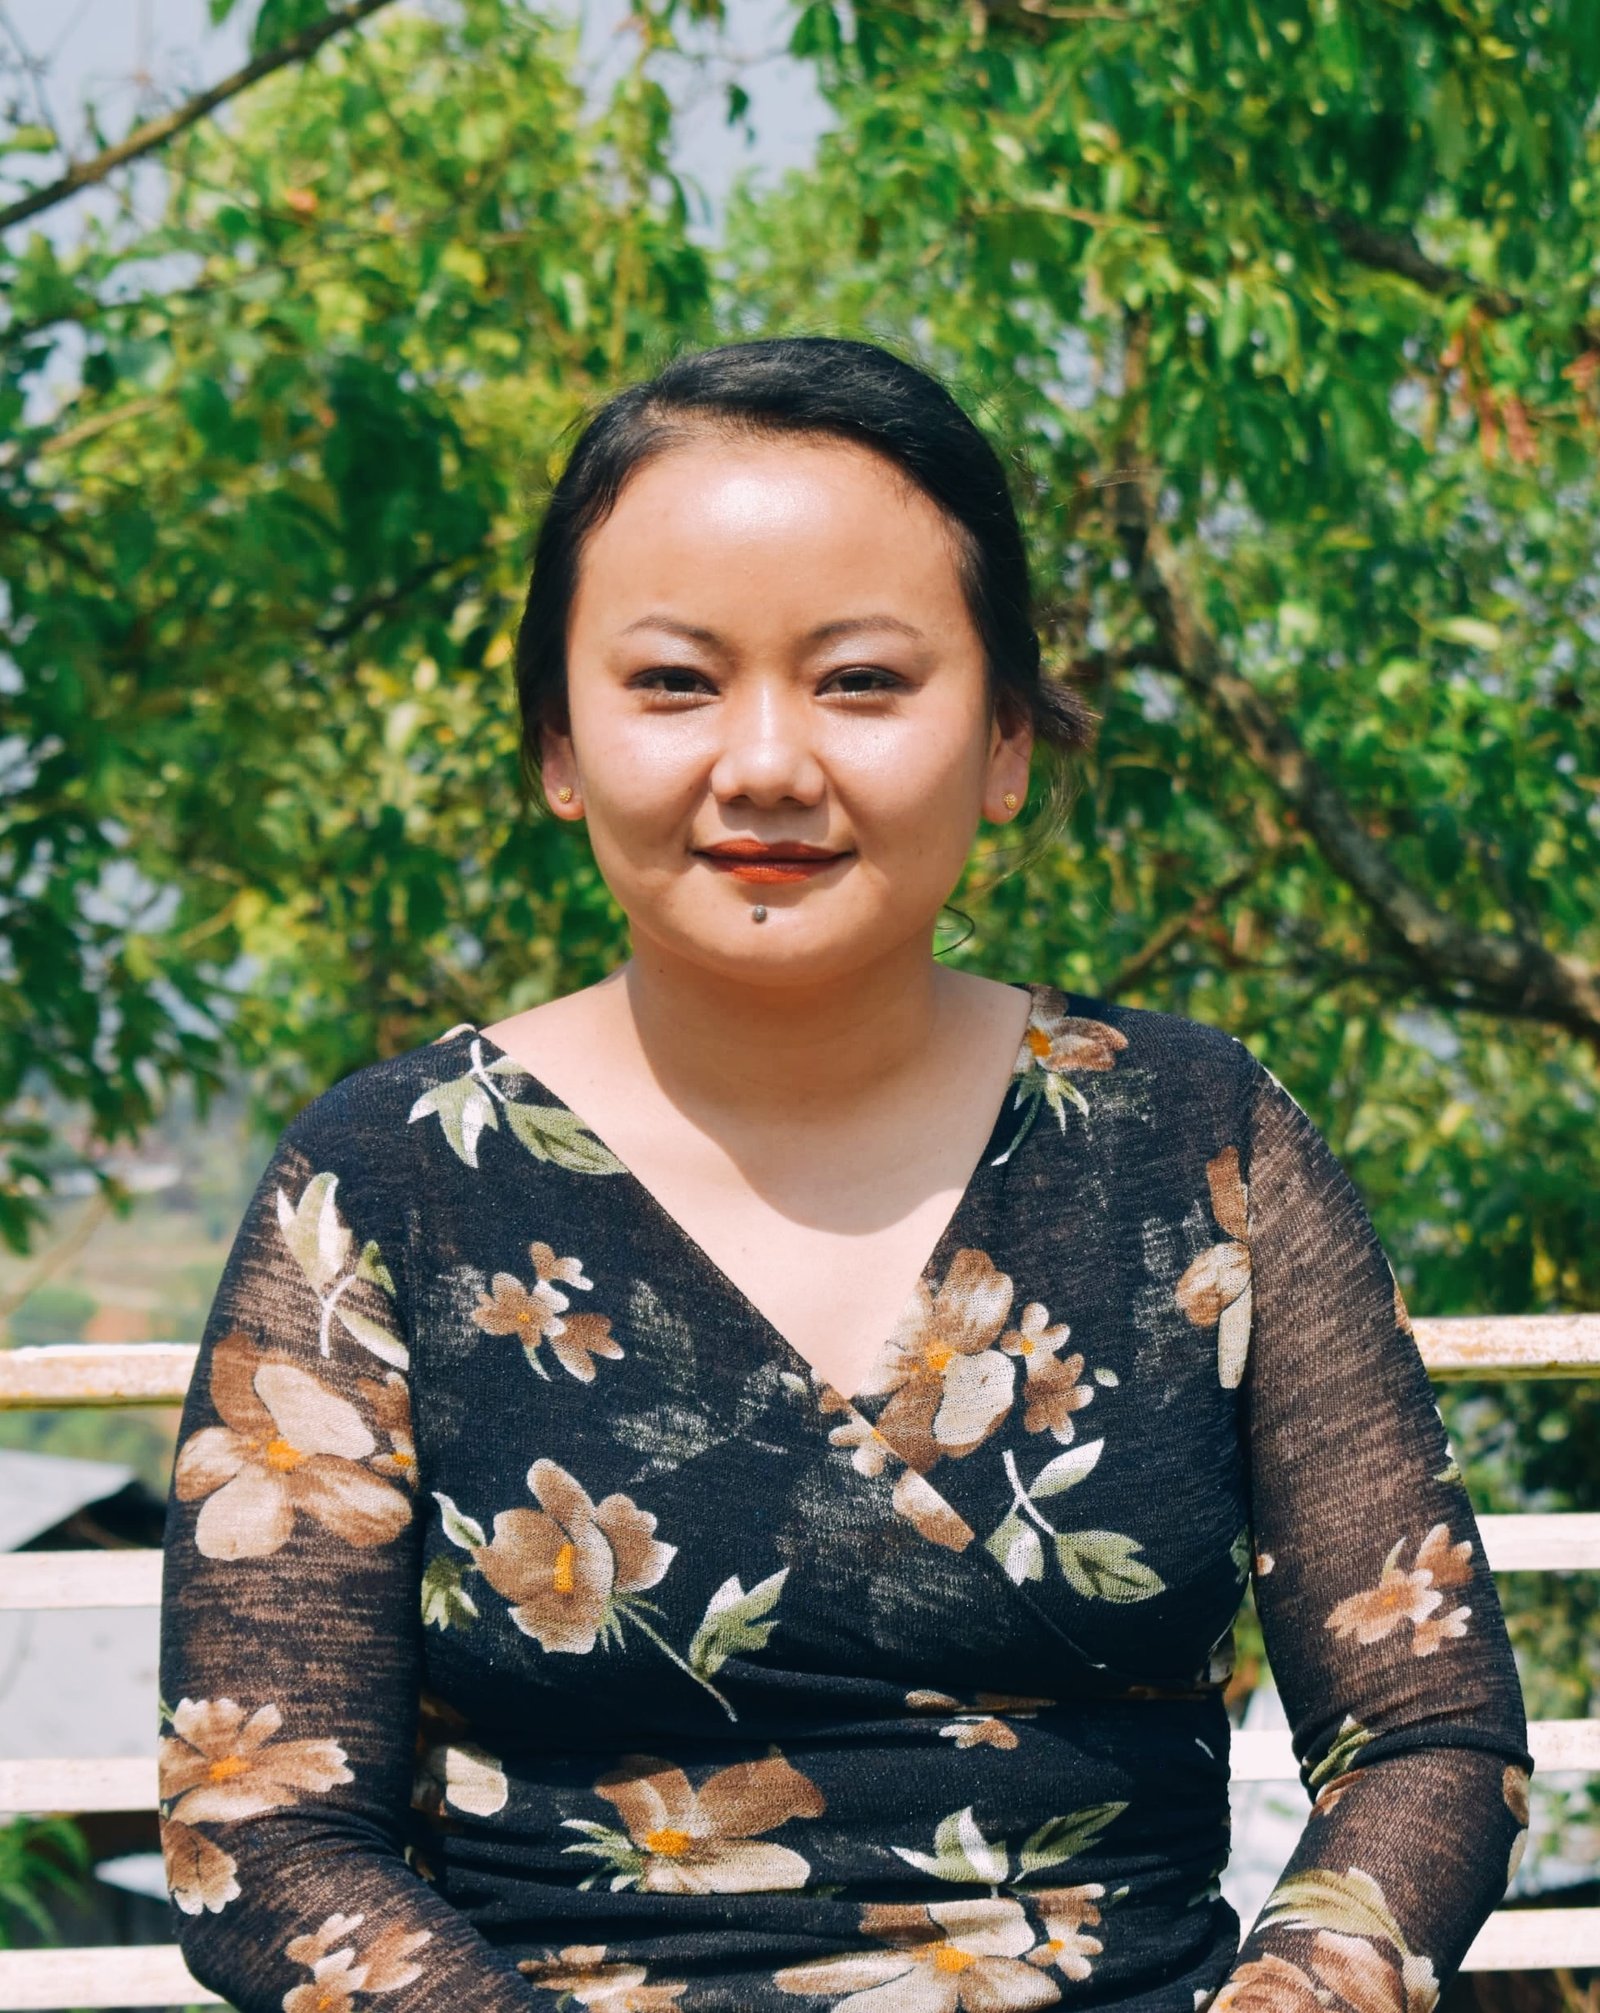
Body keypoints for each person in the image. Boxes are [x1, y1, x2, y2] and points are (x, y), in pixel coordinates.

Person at [158, 336, 1532, 2013]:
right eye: (675, 682)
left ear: (1008, 740)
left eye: (862, 681)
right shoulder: (382, 1185)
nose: (765, 763)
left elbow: (1430, 1734)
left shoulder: (1200, 1142)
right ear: (558, 743)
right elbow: (263, 1828)